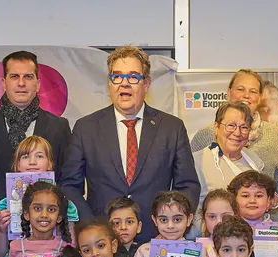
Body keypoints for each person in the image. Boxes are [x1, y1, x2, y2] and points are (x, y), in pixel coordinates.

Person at [60, 45, 199, 244]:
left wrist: (171, 226)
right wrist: (94, 228)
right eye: (117, 77)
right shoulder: (86, 128)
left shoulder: (171, 128)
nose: (124, 84)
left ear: (147, 84)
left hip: (156, 241)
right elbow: (69, 186)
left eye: (133, 77)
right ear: (109, 84)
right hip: (102, 244)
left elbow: (187, 185)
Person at [0, 50, 71, 201]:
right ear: (3, 83)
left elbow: (67, 181)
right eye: (14, 76)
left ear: (38, 84)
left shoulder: (59, 127)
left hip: (45, 219)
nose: (21, 83)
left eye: (28, 76)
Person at [190, 70, 278, 200]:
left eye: (253, 91)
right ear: (229, 92)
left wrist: (270, 201)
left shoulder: (276, 136)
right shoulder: (205, 135)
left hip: (264, 219)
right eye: (240, 89)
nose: (246, 95)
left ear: (260, 97)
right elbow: (189, 183)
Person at [193, 102, 264, 233]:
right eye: (231, 125)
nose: (237, 133)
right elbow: (188, 211)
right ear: (216, 127)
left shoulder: (256, 162)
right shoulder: (197, 162)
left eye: (244, 127)